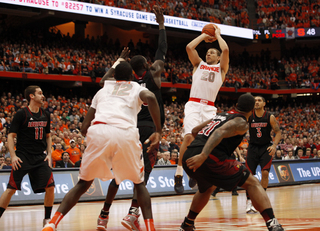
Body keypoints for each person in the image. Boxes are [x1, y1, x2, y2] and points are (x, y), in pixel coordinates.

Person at [42, 61, 161, 231]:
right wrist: (158, 130)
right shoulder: (135, 86)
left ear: (114, 76)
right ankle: (150, 228)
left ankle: (53, 222)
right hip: (124, 132)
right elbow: (151, 97)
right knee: (139, 184)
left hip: (99, 130)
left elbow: (83, 128)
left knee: (82, 184)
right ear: (131, 76)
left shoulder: (102, 90)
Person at [98, 5, 166, 231]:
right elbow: (161, 52)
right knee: (142, 176)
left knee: (118, 176)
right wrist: (161, 26)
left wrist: (118, 60)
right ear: (147, 66)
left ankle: (104, 213)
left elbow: (104, 80)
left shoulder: (126, 83)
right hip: (148, 128)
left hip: (129, 129)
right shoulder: (154, 74)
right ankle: (132, 213)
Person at [179, 94, 284, 231]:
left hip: (189, 154)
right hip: (208, 157)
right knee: (252, 183)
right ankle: (272, 223)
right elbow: (219, 132)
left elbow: (194, 130)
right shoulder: (241, 123)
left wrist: (199, 150)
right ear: (252, 109)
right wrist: (203, 155)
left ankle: (187, 224)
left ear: (237, 105)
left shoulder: (221, 115)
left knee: (207, 188)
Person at [175, 24, 229, 194]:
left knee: (205, 141)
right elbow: (189, 47)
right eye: (208, 52)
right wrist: (204, 36)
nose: (209, 53)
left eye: (213, 52)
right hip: (194, 104)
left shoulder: (221, 68)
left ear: (219, 57)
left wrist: (218, 35)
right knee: (189, 137)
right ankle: (178, 174)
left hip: (209, 108)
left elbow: (226, 49)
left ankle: (195, 170)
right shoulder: (198, 64)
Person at [0, 85, 55, 227]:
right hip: (23, 156)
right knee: (11, 189)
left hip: (40, 157)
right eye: (40, 93)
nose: (43, 96)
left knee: (50, 187)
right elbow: (11, 136)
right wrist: (13, 156)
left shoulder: (46, 114)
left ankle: (47, 220)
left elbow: (48, 136)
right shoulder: (21, 114)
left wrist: (49, 154)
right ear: (31, 96)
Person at [245, 96, 281, 213]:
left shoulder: (269, 117)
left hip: (266, 147)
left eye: (259, 100)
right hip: (252, 147)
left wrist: (274, 145)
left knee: (265, 173)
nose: (257, 102)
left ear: (264, 103)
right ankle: (249, 202)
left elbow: (278, 132)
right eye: (255, 100)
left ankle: (262, 197)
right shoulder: (249, 116)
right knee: (249, 175)